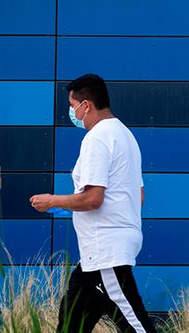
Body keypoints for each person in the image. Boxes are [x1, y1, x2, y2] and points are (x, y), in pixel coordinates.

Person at [29, 74, 156, 333]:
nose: (71, 112)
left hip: (104, 254)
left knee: (137, 327)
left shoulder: (97, 138)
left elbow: (93, 198)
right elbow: (138, 195)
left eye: (72, 105)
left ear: (86, 105)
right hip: (97, 254)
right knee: (70, 325)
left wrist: (53, 201)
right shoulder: (125, 136)